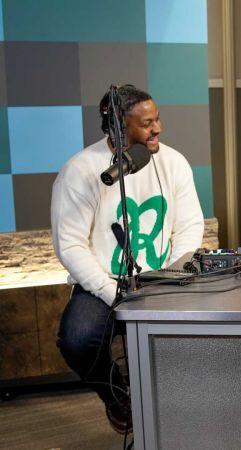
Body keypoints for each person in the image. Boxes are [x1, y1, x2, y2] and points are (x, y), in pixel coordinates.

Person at [51, 85, 205, 433]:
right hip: (102, 282)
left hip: (162, 278)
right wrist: (113, 293)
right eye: (147, 122)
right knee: (77, 340)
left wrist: (174, 274)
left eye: (158, 119)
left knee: (191, 338)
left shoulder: (173, 161)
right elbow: (70, 245)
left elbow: (190, 224)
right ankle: (117, 396)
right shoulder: (79, 170)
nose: (158, 129)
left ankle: (180, 412)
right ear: (118, 127)